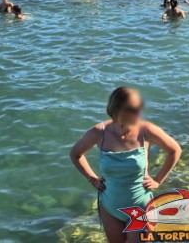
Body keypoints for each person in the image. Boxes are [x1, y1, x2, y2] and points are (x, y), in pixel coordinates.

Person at [69, 87, 182, 243]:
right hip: (110, 207)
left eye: (139, 107)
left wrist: (158, 180)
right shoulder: (99, 132)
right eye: (133, 109)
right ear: (118, 109)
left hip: (140, 206)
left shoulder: (146, 130)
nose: (139, 112)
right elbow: (75, 154)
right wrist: (92, 178)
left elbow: (174, 150)